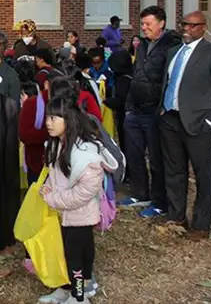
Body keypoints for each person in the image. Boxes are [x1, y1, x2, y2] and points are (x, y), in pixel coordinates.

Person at [158, 11, 211, 240]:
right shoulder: (173, 52)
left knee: (203, 175)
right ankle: (176, 217)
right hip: (170, 119)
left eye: (193, 26)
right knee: (174, 172)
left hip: (198, 123)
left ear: (203, 27)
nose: (187, 29)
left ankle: (201, 226)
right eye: (184, 24)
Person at [38, 96, 118, 304]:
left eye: (54, 117)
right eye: (48, 117)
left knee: (76, 257)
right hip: (65, 213)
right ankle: (66, 288)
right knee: (65, 252)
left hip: (79, 214)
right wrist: (49, 186)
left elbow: (85, 191)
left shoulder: (85, 153)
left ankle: (79, 296)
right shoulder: (58, 144)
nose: (48, 122)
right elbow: (56, 175)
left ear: (69, 119)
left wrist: (54, 198)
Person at [118, 6, 181, 218]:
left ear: (161, 23)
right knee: (134, 155)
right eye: (142, 24)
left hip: (154, 113)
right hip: (134, 110)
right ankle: (140, 193)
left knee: (156, 160)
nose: (143, 28)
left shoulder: (172, 46)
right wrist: (128, 106)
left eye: (148, 24)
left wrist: (162, 109)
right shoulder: (143, 45)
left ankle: (160, 201)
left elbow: (171, 80)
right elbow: (136, 75)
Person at [103, 50, 133, 164]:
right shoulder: (127, 74)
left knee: (127, 144)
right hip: (126, 115)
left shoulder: (124, 79)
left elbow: (121, 99)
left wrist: (105, 102)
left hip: (126, 116)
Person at [18, 81, 47, 185]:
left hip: (36, 160)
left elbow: (25, 135)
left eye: (22, 95)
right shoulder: (38, 106)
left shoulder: (30, 106)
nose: (20, 99)